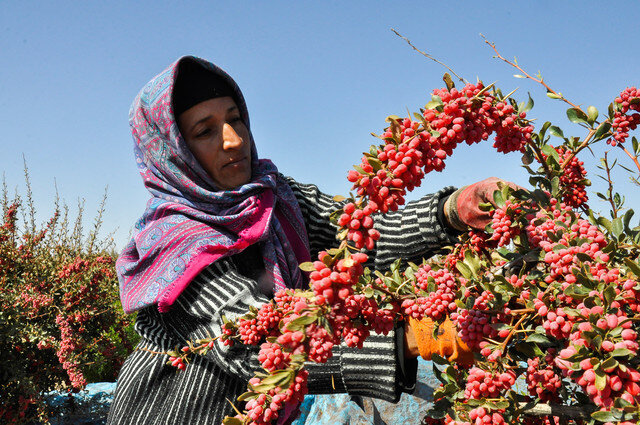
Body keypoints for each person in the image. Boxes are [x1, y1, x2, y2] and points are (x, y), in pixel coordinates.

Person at [107, 56, 510, 425]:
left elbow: (359, 240)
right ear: (173, 152)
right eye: (205, 131)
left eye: (235, 120)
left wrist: (454, 210)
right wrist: (410, 339)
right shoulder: (176, 248)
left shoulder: (276, 196)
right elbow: (259, 345)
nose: (233, 140)